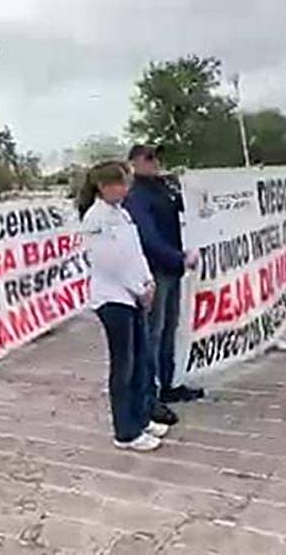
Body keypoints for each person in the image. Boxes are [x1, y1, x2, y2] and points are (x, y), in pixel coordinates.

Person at [78, 162, 169, 452]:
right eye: (121, 184)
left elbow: (135, 252)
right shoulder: (96, 219)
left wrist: (148, 281)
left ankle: (142, 417)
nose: (126, 189)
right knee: (124, 366)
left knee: (142, 360)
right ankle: (125, 431)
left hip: (134, 294)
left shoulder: (122, 214)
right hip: (113, 298)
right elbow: (110, 262)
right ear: (104, 186)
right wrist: (138, 288)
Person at [125, 145, 205, 406]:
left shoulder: (163, 187)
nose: (155, 162)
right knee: (154, 332)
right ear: (134, 162)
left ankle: (169, 383)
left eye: (157, 157)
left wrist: (190, 185)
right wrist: (178, 258)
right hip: (155, 270)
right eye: (148, 158)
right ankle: (150, 391)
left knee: (170, 329)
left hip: (171, 267)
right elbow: (147, 237)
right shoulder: (136, 194)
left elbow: (189, 207)